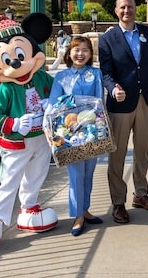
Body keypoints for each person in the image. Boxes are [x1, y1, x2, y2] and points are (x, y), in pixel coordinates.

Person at [98, 0, 148, 224]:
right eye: (123, 7)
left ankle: (141, 194)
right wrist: (112, 88)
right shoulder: (107, 39)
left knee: (142, 151)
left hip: (145, 101)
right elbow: (105, 72)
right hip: (120, 104)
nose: (127, 10)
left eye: (131, 7)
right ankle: (118, 202)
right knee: (117, 155)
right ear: (116, 11)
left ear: (137, 9)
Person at [46, 36, 106, 236]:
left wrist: (100, 125)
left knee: (89, 172)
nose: (80, 54)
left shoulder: (95, 73)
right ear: (69, 53)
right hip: (70, 132)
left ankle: (85, 210)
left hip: (91, 130)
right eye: (76, 50)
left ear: (90, 54)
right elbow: (54, 104)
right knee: (76, 175)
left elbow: (99, 101)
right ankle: (77, 215)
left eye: (85, 50)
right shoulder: (62, 77)